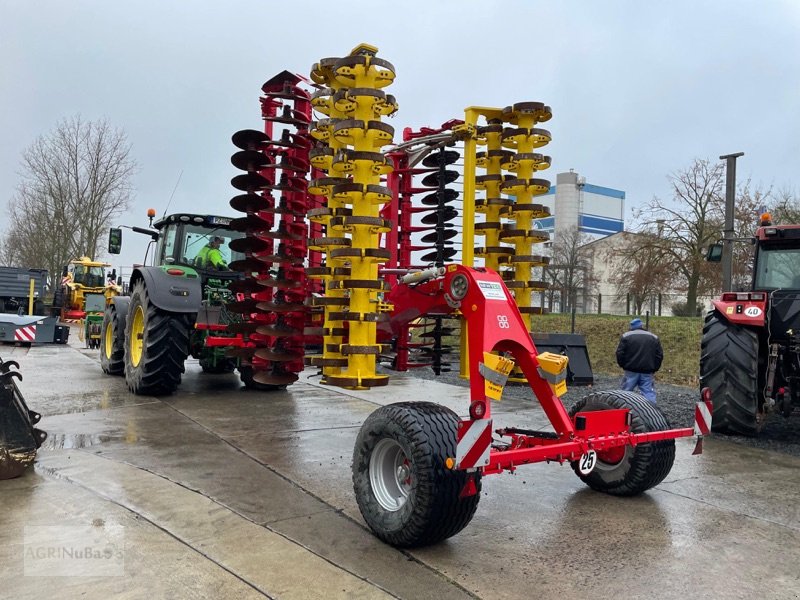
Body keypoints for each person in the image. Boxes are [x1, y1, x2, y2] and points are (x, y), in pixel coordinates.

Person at [615, 317, 663, 403]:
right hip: (647, 371)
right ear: (641, 325)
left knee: (625, 392)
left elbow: (619, 353)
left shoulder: (626, 336)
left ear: (631, 326)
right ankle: (651, 412)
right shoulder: (653, 337)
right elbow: (659, 355)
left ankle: (623, 411)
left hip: (631, 370)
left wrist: (622, 365)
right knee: (648, 392)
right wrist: (655, 368)